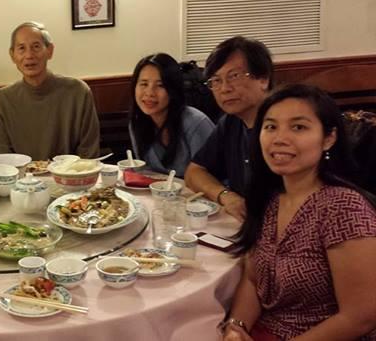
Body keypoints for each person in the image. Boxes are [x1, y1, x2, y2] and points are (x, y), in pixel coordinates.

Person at [220, 84, 376, 340]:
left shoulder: (344, 208)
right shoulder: (269, 197)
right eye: (271, 127)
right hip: (265, 329)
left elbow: (360, 316)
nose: (279, 138)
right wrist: (236, 327)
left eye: (298, 127)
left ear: (329, 138)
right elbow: (252, 280)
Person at [185, 36, 273, 220]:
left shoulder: (284, 127)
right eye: (216, 81)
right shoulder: (231, 122)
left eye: (234, 76)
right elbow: (194, 172)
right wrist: (226, 196)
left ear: (263, 79)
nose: (225, 89)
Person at [0, 21, 100, 160]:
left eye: (36, 47)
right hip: (20, 174)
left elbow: (89, 153)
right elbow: (4, 158)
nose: (29, 55)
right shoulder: (2, 100)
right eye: (21, 48)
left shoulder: (78, 92)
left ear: (50, 51)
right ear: (12, 55)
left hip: (71, 173)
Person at [128, 53, 215, 177]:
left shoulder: (196, 123)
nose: (149, 93)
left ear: (173, 89)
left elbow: (212, 175)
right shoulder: (137, 122)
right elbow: (145, 172)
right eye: (144, 84)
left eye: (160, 85)